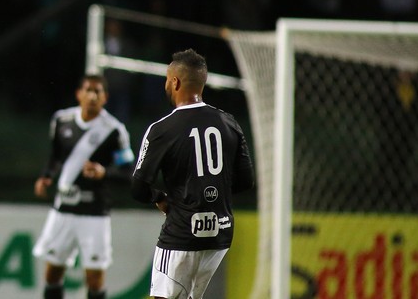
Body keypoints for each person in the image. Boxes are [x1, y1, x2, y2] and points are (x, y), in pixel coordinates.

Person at [131, 49, 255, 299]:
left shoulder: (162, 129)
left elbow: (138, 188)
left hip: (182, 233)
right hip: (219, 234)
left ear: (175, 82)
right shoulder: (229, 122)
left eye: (167, 79)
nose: (166, 84)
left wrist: (160, 197)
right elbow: (246, 181)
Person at [32, 75, 135, 299]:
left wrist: (104, 172)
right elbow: (56, 156)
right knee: (52, 273)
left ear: (105, 97)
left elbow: (129, 171)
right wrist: (46, 176)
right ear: (79, 94)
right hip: (63, 208)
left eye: (98, 92)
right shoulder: (61, 120)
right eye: (88, 90)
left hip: (95, 212)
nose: (92, 96)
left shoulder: (114, 130)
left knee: (95, 279)